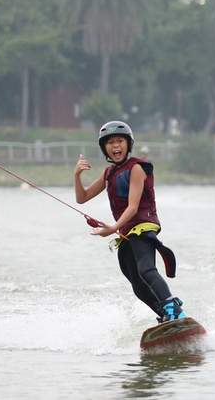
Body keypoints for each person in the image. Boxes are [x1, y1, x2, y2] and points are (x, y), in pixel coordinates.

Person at [74, 121, 187, 324]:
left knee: (146, 270)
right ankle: (165, 314)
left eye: (119, 141)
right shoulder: (108, 173)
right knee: (137, 284)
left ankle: (173, 308)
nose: (115, 146)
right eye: (110, 143)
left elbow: (133, 207)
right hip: (125, 231)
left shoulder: (136, 168)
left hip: (142, 226)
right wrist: (77, 175)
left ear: (128, 144)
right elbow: (82, 198)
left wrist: (112, 229)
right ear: (104, 148)